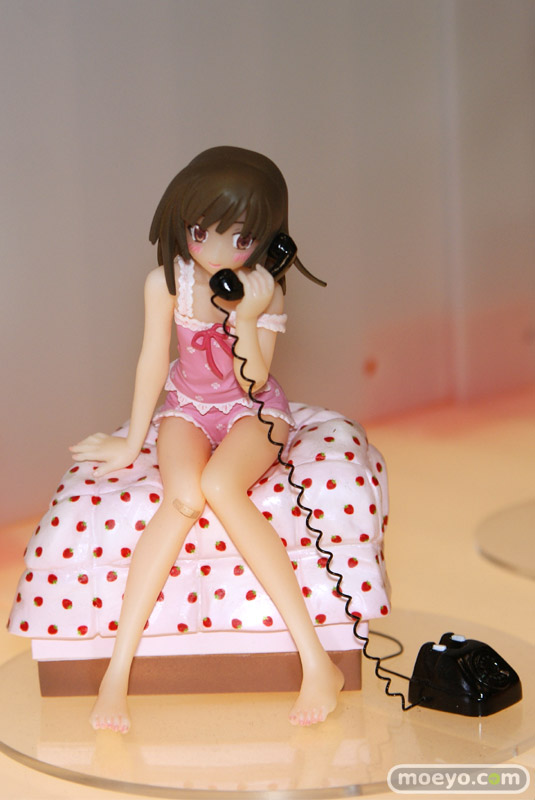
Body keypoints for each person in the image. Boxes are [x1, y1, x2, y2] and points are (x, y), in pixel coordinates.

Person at [70, 146, 344, 733]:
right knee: (183, 498)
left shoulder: (266, 290)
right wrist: (132, 440)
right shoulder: (166, 282)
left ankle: (318, 662)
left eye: (239, 239)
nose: (216, 253)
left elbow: (255, 379)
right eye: (201, 232)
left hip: (252, 411)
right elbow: (152, 359)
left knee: (221, 485)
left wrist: (245, 316)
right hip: (188, 408)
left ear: (268, 240)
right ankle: (117, 672)